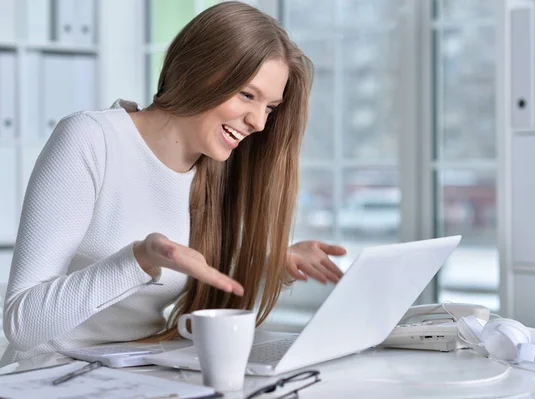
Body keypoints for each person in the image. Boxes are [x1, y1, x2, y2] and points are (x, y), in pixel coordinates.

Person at [0, 1, 347, 366]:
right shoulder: (90, 139)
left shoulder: (212, 170)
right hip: (46, 375)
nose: (259, 123)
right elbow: (22, 323)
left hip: (137, 370)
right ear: (198, 71)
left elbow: (191, 261)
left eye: (270, 107)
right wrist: (138, 259)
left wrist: (270, 258)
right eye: (247, 96)